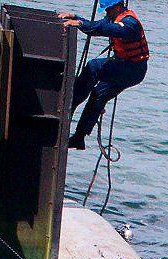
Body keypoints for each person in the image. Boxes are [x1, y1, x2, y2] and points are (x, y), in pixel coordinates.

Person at [60, 0, 150, 150]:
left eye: (108, 10)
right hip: (126, 68)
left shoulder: (130, 24)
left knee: (93, 67)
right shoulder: (114, 18)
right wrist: (76, 18)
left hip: (133, 70)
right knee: (98, 95)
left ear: (118, 7)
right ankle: (79, 137)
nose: (107, 14)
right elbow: (96, 27)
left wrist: (81, 24)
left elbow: (106, 29)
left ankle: (72, 101)